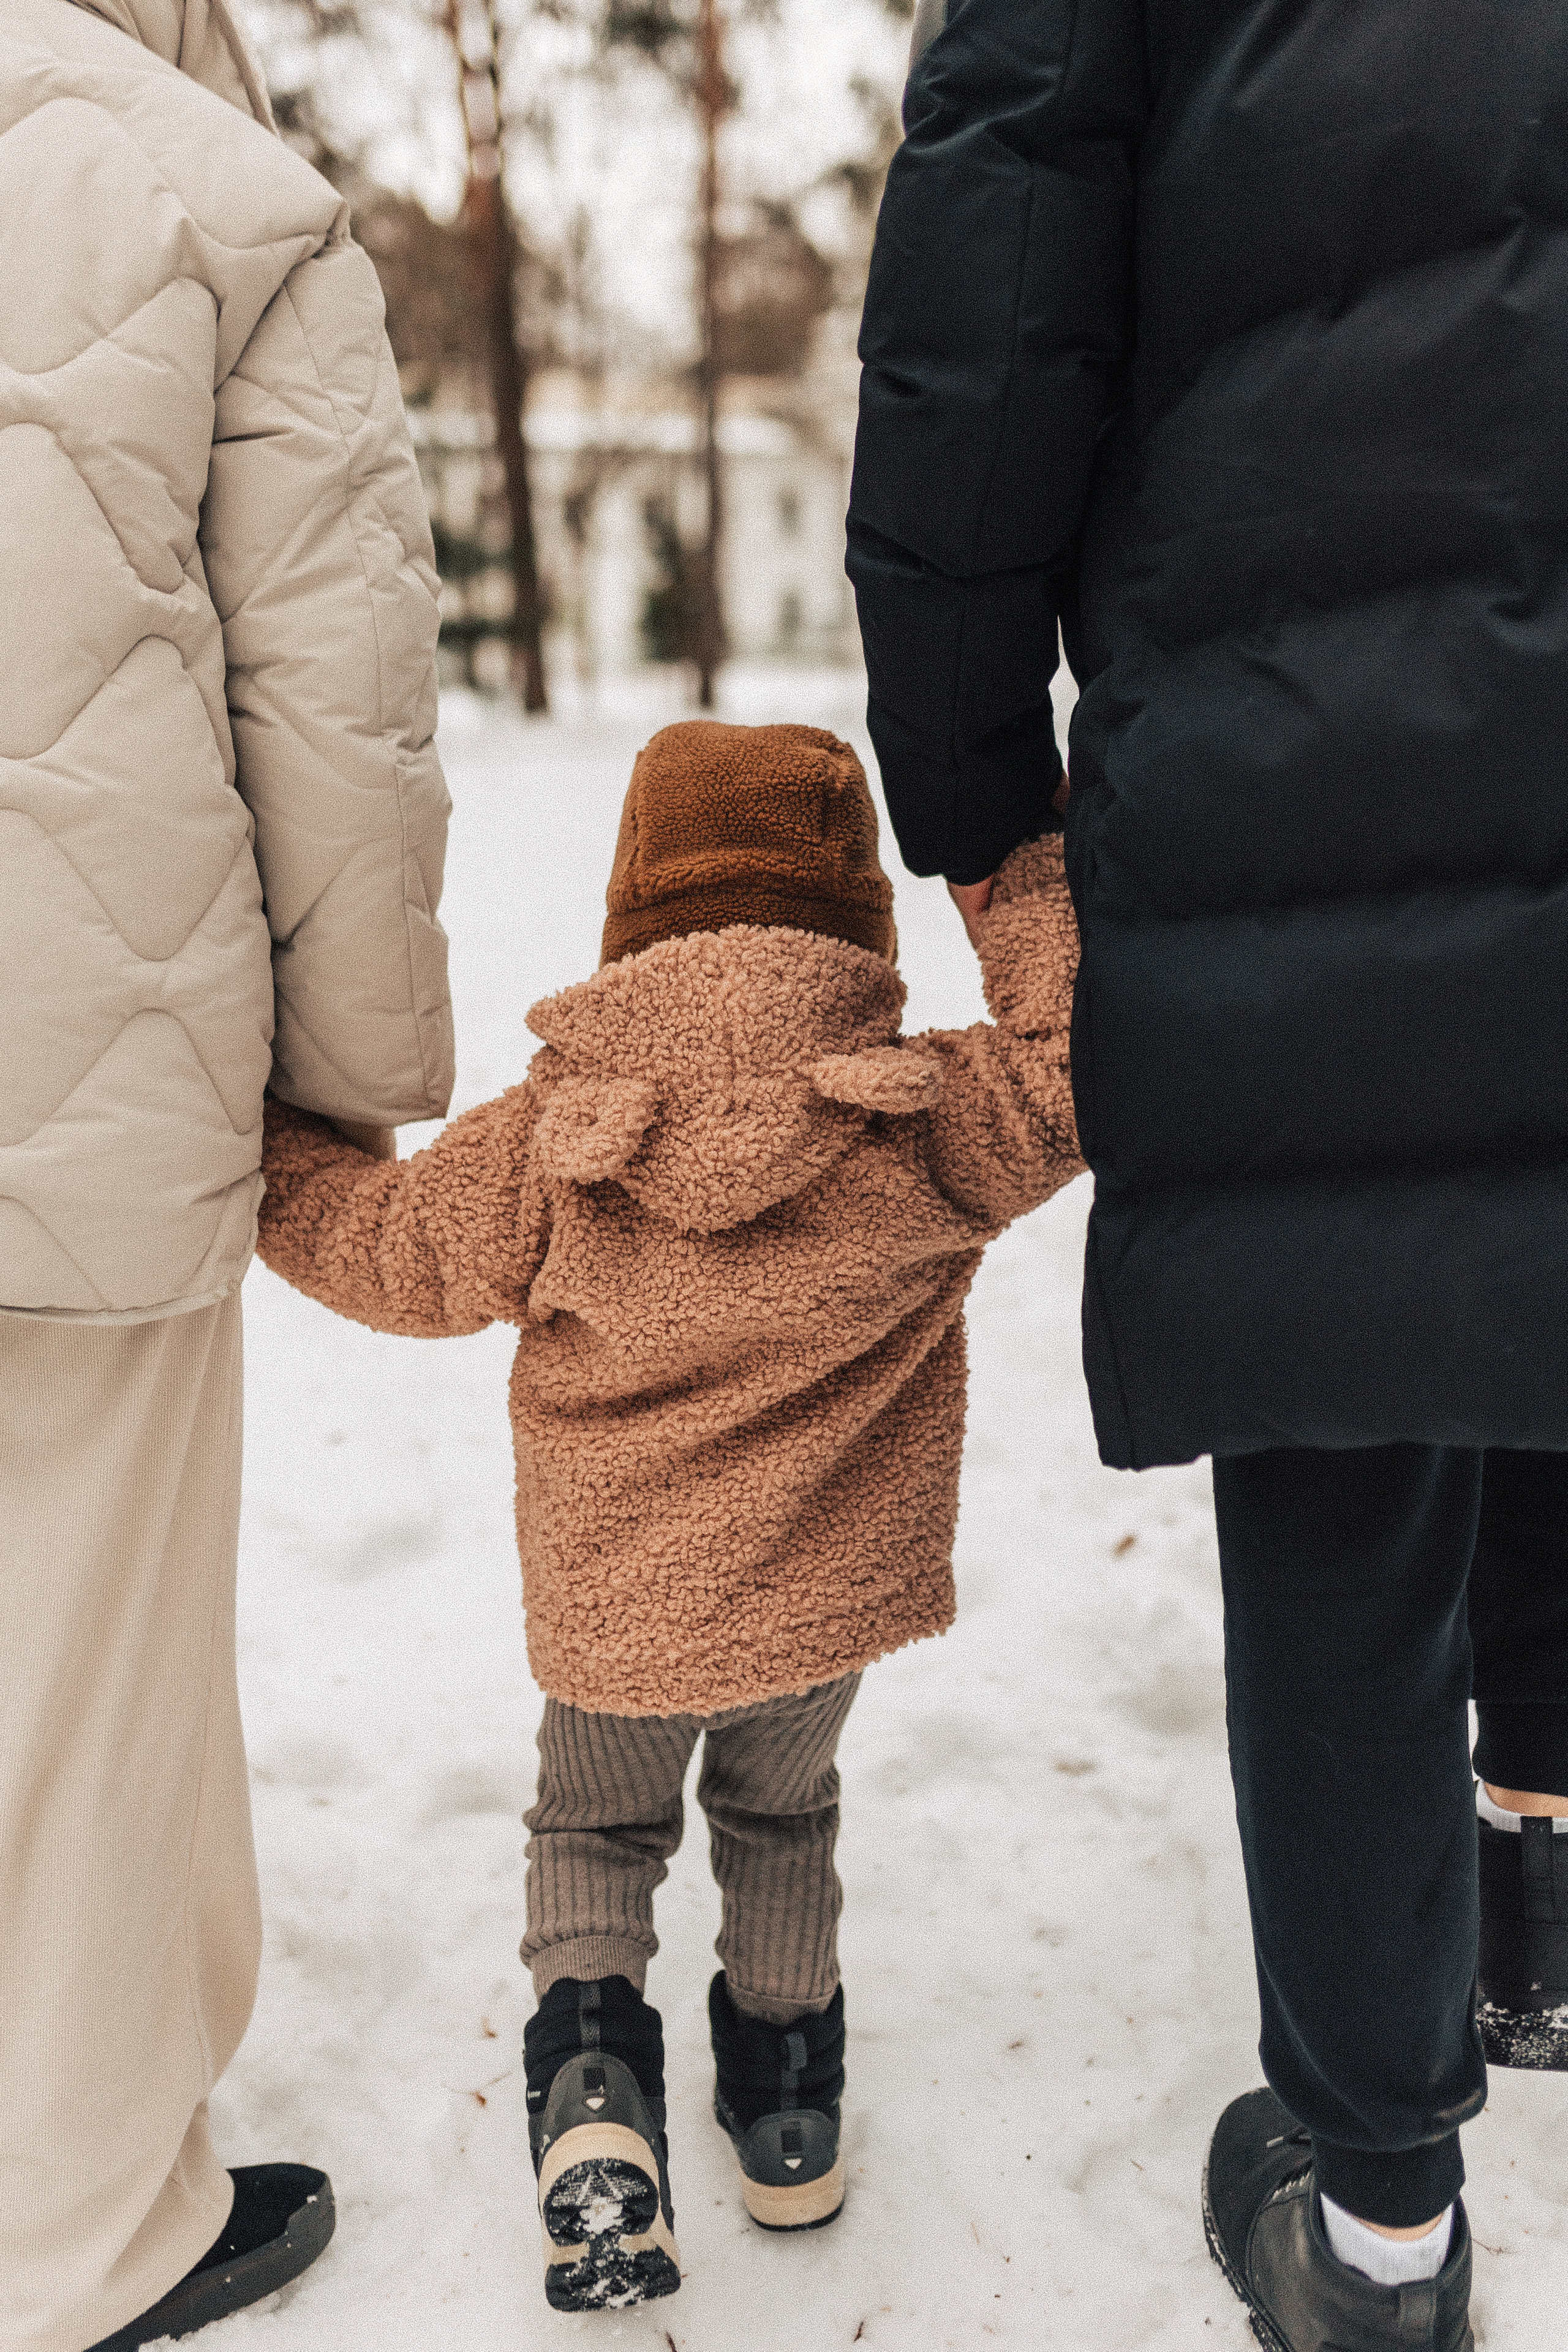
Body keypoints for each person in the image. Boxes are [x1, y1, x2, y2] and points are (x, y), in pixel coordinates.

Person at [846, 2, 1568, 2347]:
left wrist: (975, 797)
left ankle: (1379, 2242)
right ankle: (1540, 1890)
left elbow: (986, 316)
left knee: (1355, 1444)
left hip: (1294, 746)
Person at [254, 718, 1084, 2311]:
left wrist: (269, 1143)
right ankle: (786, 2116)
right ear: (858, 917)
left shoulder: (552, 1147)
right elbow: (1078, 1065)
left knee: (596, 1830)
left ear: (633, 902)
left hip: (615, 1615)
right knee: (783, 1818)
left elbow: (376, 1246)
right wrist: (1012, 870)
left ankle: (592, 2114)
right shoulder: (925, 1119)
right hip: (822, 1605)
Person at [0, 4, 454, 2348]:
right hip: (80, 1038)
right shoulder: (209, 188)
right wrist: (348, 1087)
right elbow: (334, 688)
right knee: (82, 1669)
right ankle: (79, 2235)